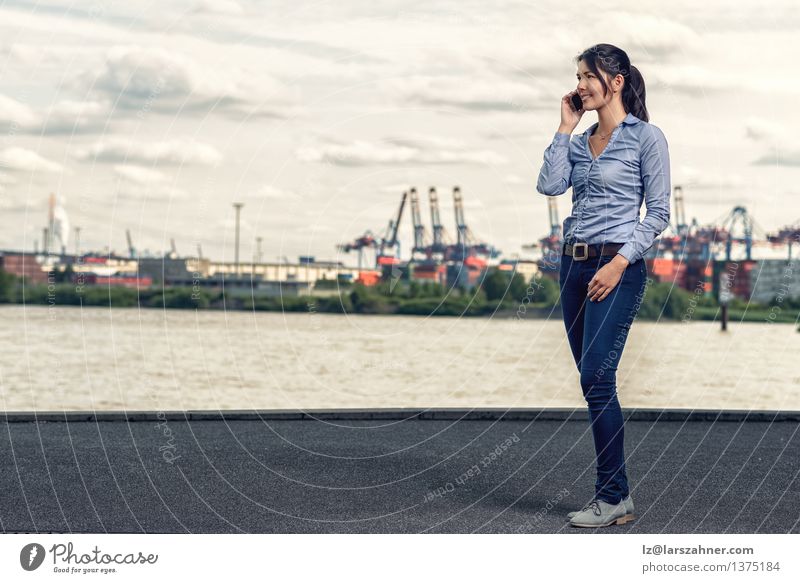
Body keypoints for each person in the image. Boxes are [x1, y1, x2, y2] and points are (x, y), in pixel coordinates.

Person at [535, 43, 671, 528]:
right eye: (577, 76)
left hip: (616, 269)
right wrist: (564, 126)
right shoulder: (577, 142)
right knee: (594, 382)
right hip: (572, 268)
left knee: (596, 375)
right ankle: (618, 496)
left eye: (589, 75)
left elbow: (658, 213)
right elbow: (550, 187)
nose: (580, 85)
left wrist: (617, 263)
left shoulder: (647, 138)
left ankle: (612, 495)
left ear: (616, 80)